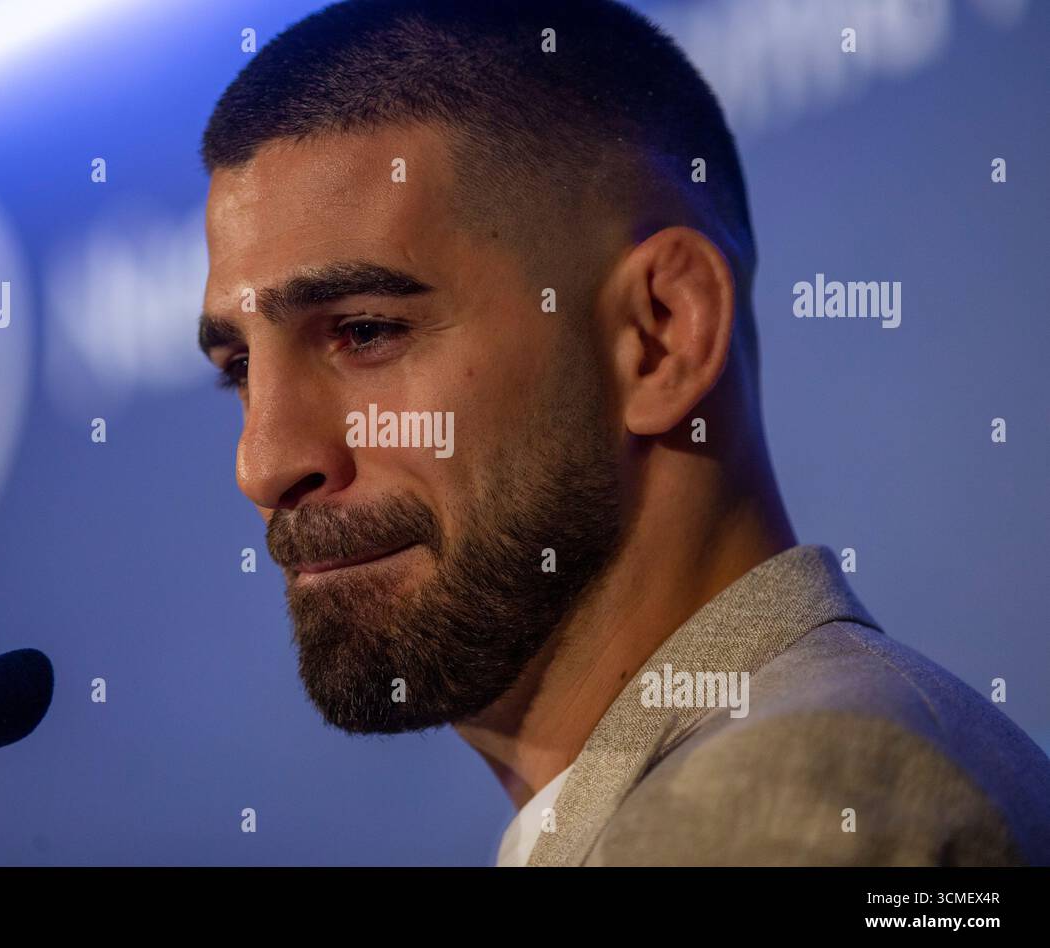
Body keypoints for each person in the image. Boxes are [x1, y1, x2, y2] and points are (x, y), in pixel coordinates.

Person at [196, 0, 1050, 865]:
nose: (262, 464)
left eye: (366, 331)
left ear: (660, 334)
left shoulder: (791, 794)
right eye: (237, 368)